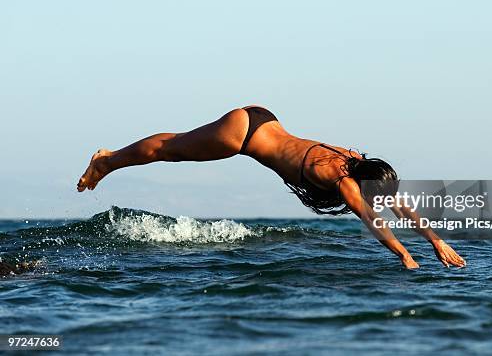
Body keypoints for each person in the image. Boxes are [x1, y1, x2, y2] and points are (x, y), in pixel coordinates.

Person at [77, 106, 465, 269]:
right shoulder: (343, 180)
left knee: (175, 147)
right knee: (172, 150)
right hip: (242, 136)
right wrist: (403, 255)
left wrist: (435, 241)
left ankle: (110, 160)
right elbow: (373, 220)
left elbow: (399, 207)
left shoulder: (352, 157)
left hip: (264, 118)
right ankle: (108, 160)